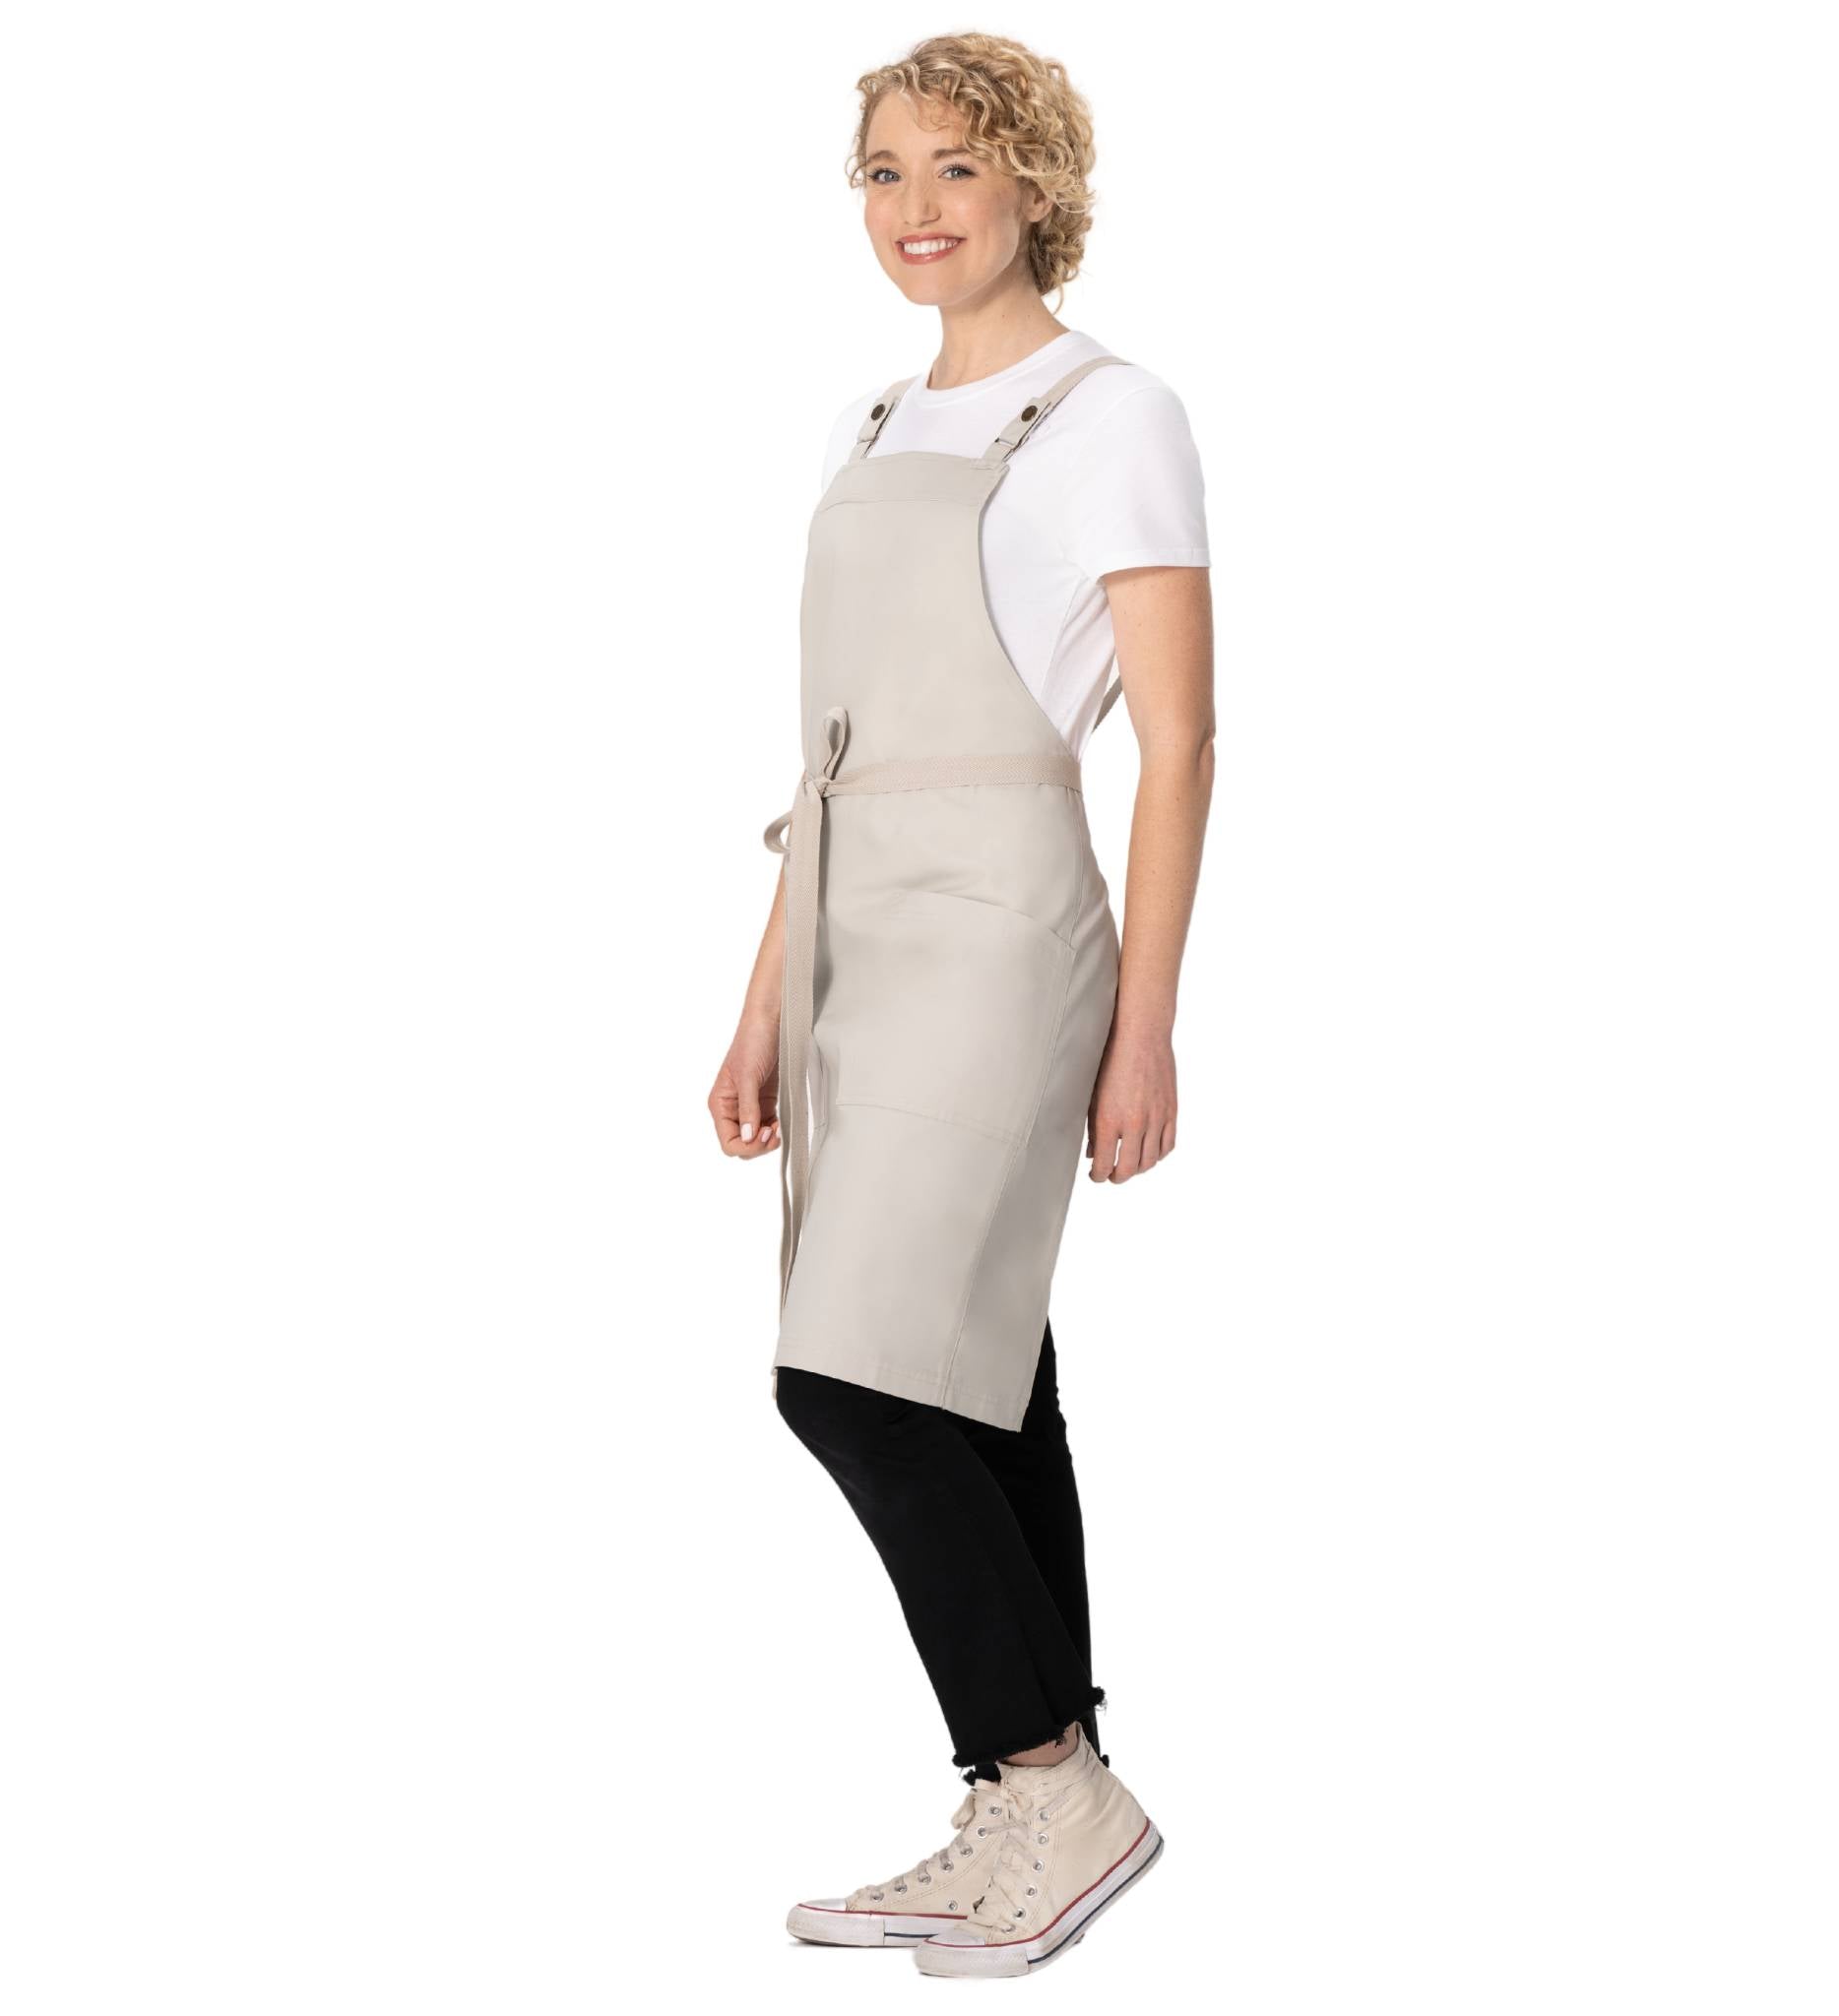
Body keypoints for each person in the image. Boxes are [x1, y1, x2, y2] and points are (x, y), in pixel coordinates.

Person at [707, 32, 1215, 1979]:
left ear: (1035, 190)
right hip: (858, 922)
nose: (916, 209)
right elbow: (827, 754)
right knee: (979, 1362)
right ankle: (1029, 1797)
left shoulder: (1113, 414)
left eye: (957, 169)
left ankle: (1052, 1782)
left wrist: (1145, 1024)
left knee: (849, 1376)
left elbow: (1177, 741)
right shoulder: (872, 423)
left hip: (1004, 929)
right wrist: (764, 995)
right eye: (884, 172)